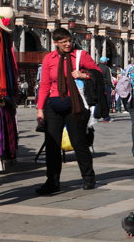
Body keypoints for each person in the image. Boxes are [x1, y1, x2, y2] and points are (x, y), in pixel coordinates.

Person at [35, 27, 100, 196]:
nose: (68, 44)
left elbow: (98, 73)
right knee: (52, 145)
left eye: (69, 41)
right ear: (55, 43)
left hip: (74, 104)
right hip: (53, 105)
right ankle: (52, 182)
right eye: (63, 42)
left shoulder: (80, 55)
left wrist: (83, 75)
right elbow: (44, 85)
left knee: (79, 142)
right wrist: (40, 109)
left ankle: (88, 177)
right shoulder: (49, 58)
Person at [97, 57, 112, 122]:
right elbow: (109, 79)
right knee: (107, 101)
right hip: (105, 85)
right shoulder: (106, 68)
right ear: (105, 62)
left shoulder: (96, 67)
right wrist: (112, 87)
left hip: (97, 86)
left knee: (98, 101)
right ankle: (106, 117)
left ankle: (97, 115)